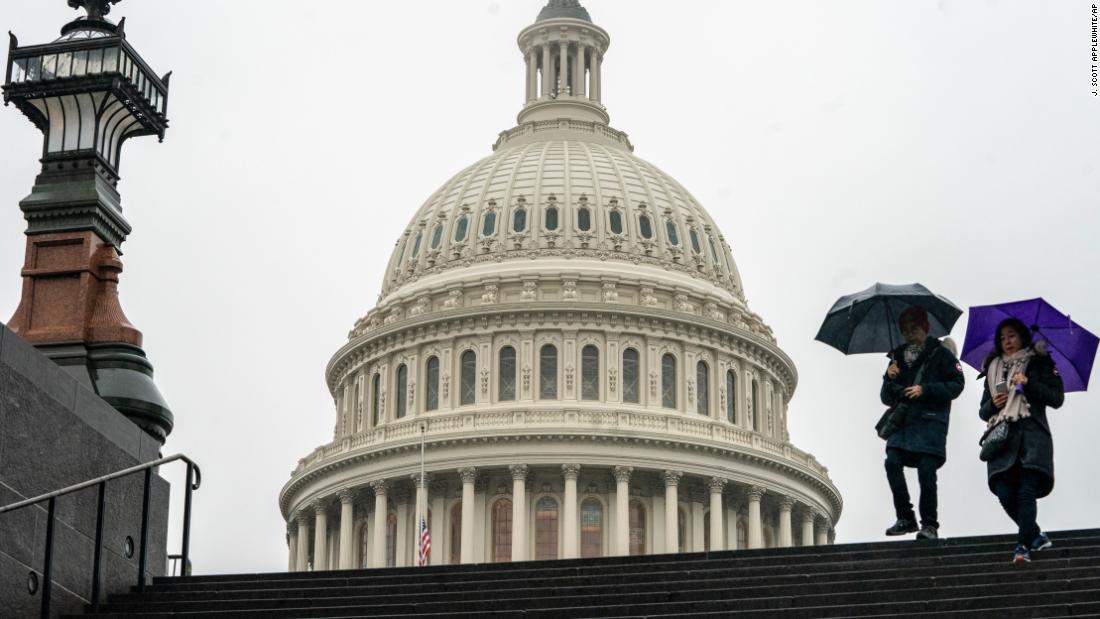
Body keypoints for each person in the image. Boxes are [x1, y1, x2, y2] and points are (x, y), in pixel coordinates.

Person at [978, 317, 1064, 563]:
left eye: (1012, 335)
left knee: (1026, 491)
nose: (1007, 341)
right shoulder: (993, 368)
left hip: (1031, 436)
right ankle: (1035, 535)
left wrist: (1029, 383)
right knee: (1005, 493)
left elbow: (1057, 398)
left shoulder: (1040, 363)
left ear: (1023, 337)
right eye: (1003, 337)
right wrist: (992, 404)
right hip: (1002, 438)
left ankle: (1022, 547)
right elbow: (982, 411)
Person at [880, 306, 965, 540]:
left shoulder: (942, 354)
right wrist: (890, 378)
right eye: (905, 330)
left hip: (930, 423)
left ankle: (929, 524)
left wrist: (924, 389)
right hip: (903, 423)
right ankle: (905, 516)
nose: (909, 333)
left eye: (914, 328)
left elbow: (957, 385)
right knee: (892, 463)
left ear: (925, 328)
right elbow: (885, 398)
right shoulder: (896, 358)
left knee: (926, 473)